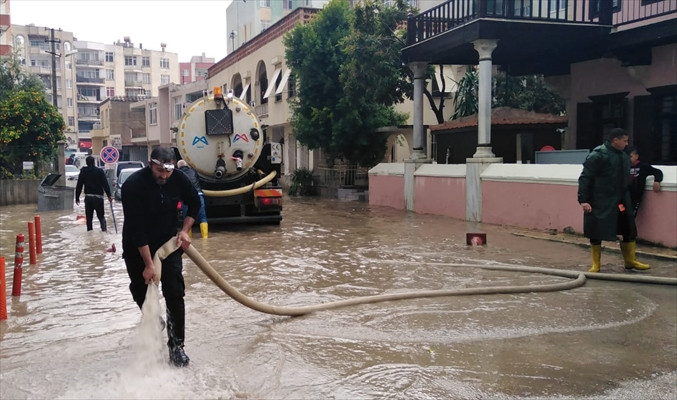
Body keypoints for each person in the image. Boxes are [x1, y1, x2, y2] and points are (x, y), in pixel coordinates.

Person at [121, 147, 201, 367]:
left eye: (168, 172)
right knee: (141, 288)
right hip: (137, 245)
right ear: (150, 165)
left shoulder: (179, 179)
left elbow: (195, 203)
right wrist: (148, 264)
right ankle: (154, 320)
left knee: (175, 292)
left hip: (168, 245)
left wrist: (185, 230)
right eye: (159, 171)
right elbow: (137, 229)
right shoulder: (133, 186)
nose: (164, 176)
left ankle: (177, 347)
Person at [577, 128, 650, 273]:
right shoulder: (597, 155)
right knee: (596, 231)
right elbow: (585, 178)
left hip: (621, 200)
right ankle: (596, 264)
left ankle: (630, 261)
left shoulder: (623, 157)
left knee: (628, 228)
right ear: (615, 140)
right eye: (624, 140)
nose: (626, 143)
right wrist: (584, 200)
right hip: (600, 200)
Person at [75, 156, 112, 232]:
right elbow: (105, 184)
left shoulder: (83, 171)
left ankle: (89, 232)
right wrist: (109, 195)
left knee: (89, 218)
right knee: (101, 217)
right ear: (94, 162)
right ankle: (104, 231)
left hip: (88, 198)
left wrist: (77, 197)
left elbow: (79, 185)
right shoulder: (100, 171)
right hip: (98, 198)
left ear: (86, 163)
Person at [626, 146, 663, 216]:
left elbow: (657, 172)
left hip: (635, 199)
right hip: (623, 198)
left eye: (630, 156)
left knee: (630, 218)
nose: (628, 159)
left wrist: (657, 181)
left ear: (636, 156)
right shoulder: (623, 167)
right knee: (621, 216)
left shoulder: (643, 167)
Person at [177, 159, 208, 238]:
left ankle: (188, 237)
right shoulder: (193, 171)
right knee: (203, 217)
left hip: (186, 197)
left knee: (187, 218)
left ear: (178, 167)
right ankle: (205, 238)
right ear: (186, 165)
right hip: (198, 194)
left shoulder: (178, 173)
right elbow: (198, 181)